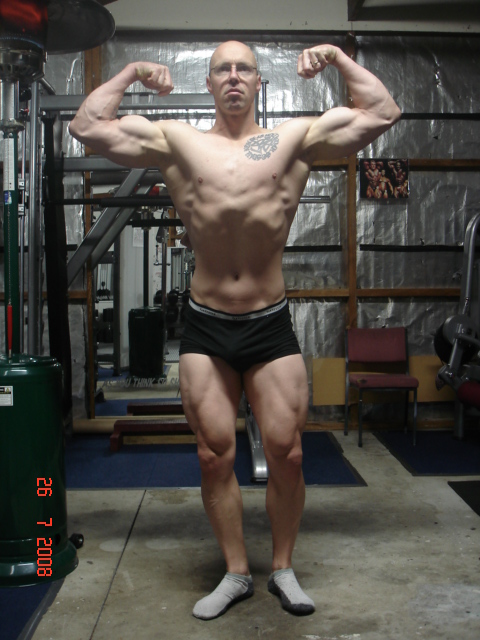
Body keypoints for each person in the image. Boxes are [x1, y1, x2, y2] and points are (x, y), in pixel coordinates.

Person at [69, 41, 401, 620]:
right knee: (212, 454)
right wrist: (131, 72)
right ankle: (236, 572)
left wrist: (337, 58)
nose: (232, 77)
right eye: (221, 69)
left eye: (243, 68)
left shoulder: (294, 139)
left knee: (288, 452)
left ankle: (284, 569)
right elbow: (88, 126)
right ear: (209, 82)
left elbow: (382, 111)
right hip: (206, 325)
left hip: (269, 323)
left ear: (258, 80)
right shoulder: (178, 142)